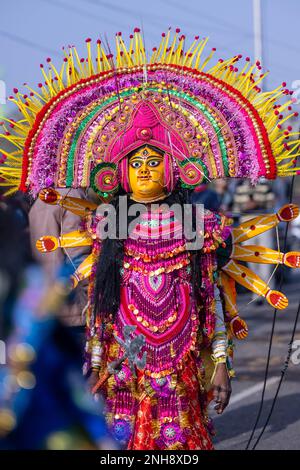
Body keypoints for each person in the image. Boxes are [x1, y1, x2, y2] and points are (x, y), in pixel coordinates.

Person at [1, 30, 300, 450]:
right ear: (120, 171)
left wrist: (219, 365)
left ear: (173, 168)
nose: (143, 169)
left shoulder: (199, 223)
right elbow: (103, 303)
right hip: (126, 365)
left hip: (181, 365)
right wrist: (97, 362)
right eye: (135, 162)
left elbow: (209, 296)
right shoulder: (109, 223)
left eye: (153, 160)